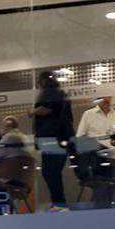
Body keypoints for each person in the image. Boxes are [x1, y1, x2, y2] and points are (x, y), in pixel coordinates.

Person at [30, 70, 75, 209]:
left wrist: (32, 111)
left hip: (52, 138)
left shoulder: (50, 93)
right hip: (60, 138)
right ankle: (58, 202)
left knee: (50, 172)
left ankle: (59, 202)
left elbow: (47, 109)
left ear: (42, 82)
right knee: (52, 172)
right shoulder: (60, 94)